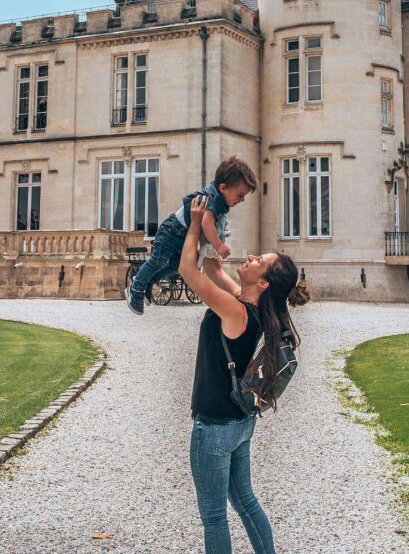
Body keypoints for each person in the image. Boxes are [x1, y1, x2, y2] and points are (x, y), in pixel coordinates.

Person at [181, 194, 310, 554]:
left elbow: (188, 273)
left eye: (259, 261)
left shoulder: (237, 311)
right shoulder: (253, 306)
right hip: (240, 422)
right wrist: (213, 242)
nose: (251, 257)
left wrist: (193, 225)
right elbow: (212, 272)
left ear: (265, 282)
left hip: (215, 426)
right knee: (246, 502)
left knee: (214, 518)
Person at [124, 156, 258, 314]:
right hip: (172, 231)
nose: (242, 200)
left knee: (176, 267)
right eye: (240, 195)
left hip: (182, 236)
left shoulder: (221, 201)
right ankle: (136, 287)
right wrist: (218, 246)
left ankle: (148, 282)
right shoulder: (213, 198)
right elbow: (206, 224)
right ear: (223, 188)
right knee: (158, 261)